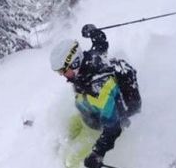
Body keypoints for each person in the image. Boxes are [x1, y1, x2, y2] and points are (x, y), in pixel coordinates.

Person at [50, 24, 141, 168]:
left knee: (70, 161)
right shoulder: (91, 59)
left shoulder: (100, 88)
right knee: (62, 134)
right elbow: (101, 44)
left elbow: (114, 127)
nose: (62, 75)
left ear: (75, 63)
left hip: (97, 128)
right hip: (87, 115)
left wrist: (97, 154)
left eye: (63, 70)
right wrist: (93, 32)